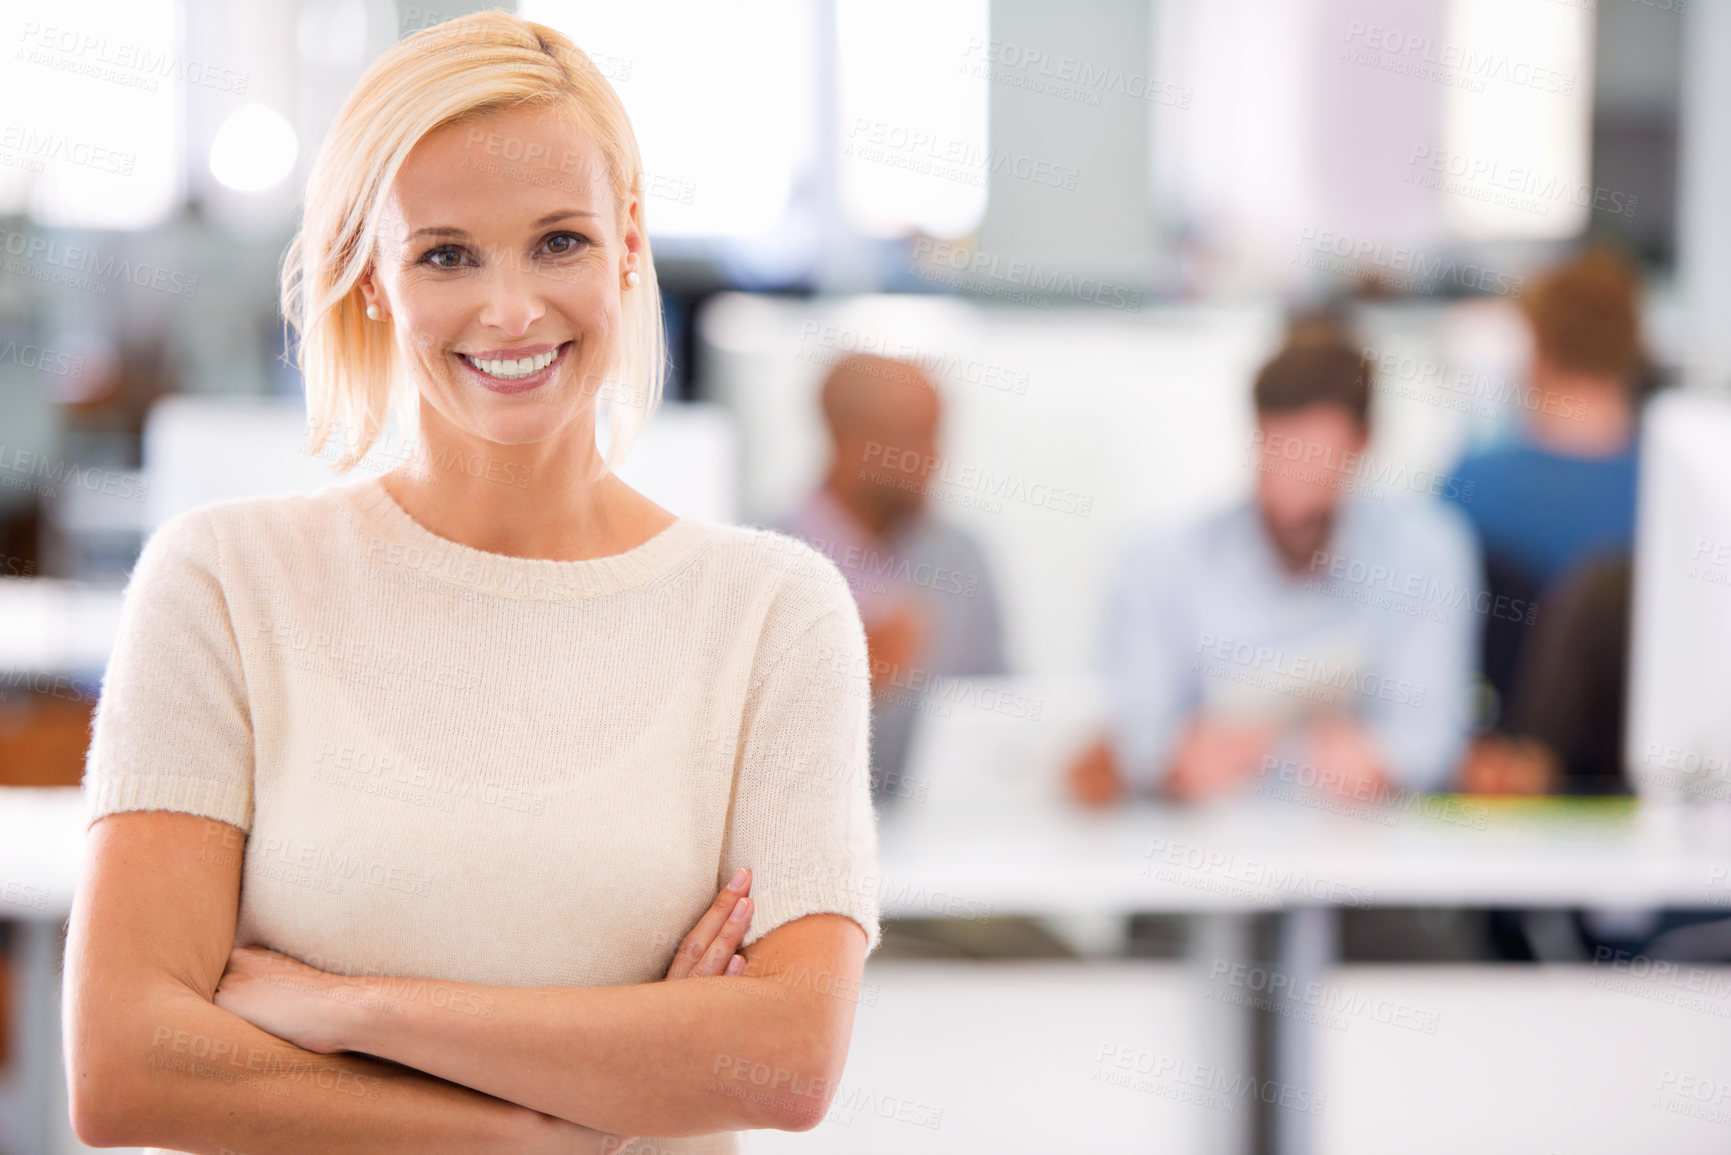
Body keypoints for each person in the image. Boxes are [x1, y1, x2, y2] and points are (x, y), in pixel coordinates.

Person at [63, 15, 878, 1155]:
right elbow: (127, 1064)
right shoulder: (224, 584)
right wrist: (545, 1123)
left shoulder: (772, 613)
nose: (510, 310)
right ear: (371, 276)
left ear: (629, 242)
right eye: (446, 253)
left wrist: (357, 1011)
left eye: (559, 242)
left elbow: (785, 1060)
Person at [1067, 325, 1480, 807]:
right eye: (1277, 454)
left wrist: (1384, 763)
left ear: (1364, 443)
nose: (1291, 498)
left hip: (1368, 851)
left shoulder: (1425, 551)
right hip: (1196, 851)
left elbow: (1429, 736)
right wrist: (1172, 762)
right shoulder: (1161, 562)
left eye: (1316, 462)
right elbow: (1138, 733)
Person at [779, 353, 1007, 806]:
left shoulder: (961, 557)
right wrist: (848, 685)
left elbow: (1002, 706)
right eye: (916, 436)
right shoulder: (762, 562)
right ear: (847, 441)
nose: (936, 458)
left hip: (954, 851)